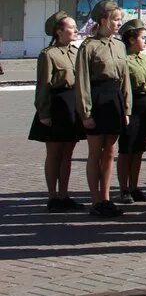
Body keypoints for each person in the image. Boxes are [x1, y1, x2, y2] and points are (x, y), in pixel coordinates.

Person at [76, 0, 131, 217]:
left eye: (120, 19)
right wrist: (86, 112)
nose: (119, 23)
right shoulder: (89, 46)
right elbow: (82, 80)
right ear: (102, 21)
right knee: (94, 152)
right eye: (115, 19)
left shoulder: (119, 45)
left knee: (110, 152)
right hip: (96, 99)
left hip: (114, 100)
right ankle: (95, 200)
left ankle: (107, 198)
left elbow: (125, 78)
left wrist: (126, 108)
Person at [28, 11, 83, 211]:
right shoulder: (48, 54)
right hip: (56, 105)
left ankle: (64, 195)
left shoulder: (77, 52)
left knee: (68, 154)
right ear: (59, 31)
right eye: (71, 27)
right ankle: (53, 197)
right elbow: (42, 85)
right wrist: (43, 113)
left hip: (72, 106)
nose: (75, 30)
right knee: (54, 154)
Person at [115, 19, 146, 204]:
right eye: (142, 37)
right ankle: (124, 189)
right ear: (131, 39)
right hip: (131, 108)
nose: (145, 41)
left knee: (139, 150)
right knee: (126, 150)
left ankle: (134, 187)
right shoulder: (123, 60)